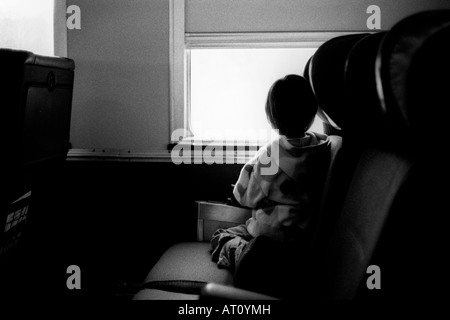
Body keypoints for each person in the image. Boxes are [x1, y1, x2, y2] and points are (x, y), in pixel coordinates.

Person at [211, 74, 331, 273]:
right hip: (301, 235)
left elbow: (246, 196)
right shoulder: (322, 148)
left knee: (222, 235)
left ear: (272, 116)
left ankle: (242, 254)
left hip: (268, 233)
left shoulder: (271, 154)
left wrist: (249, 172)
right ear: (311, 114)